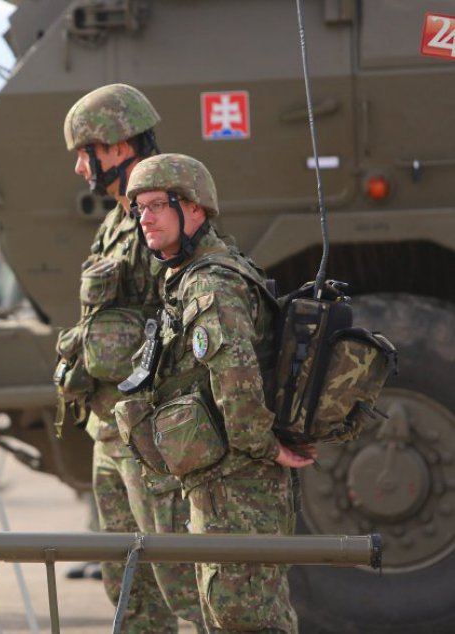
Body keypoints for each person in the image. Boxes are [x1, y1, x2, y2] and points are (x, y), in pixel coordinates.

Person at [123, 153, 317, 633]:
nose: (144, 218)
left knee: (245, 617)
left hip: (238, 486)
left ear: (194, 209)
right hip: (220, 483)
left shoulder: (212, 282)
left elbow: (236, 377)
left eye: (156, 205)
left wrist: (263, 446)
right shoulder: (193, 275)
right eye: (138, 208)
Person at [61, 84, 204, 632]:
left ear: (119, 146)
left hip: (151, 436)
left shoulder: (167, 218)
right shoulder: (118, 222)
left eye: (85, 152)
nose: (79, 168)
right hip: (111, 430)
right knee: (129, 587)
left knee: (183, 586)